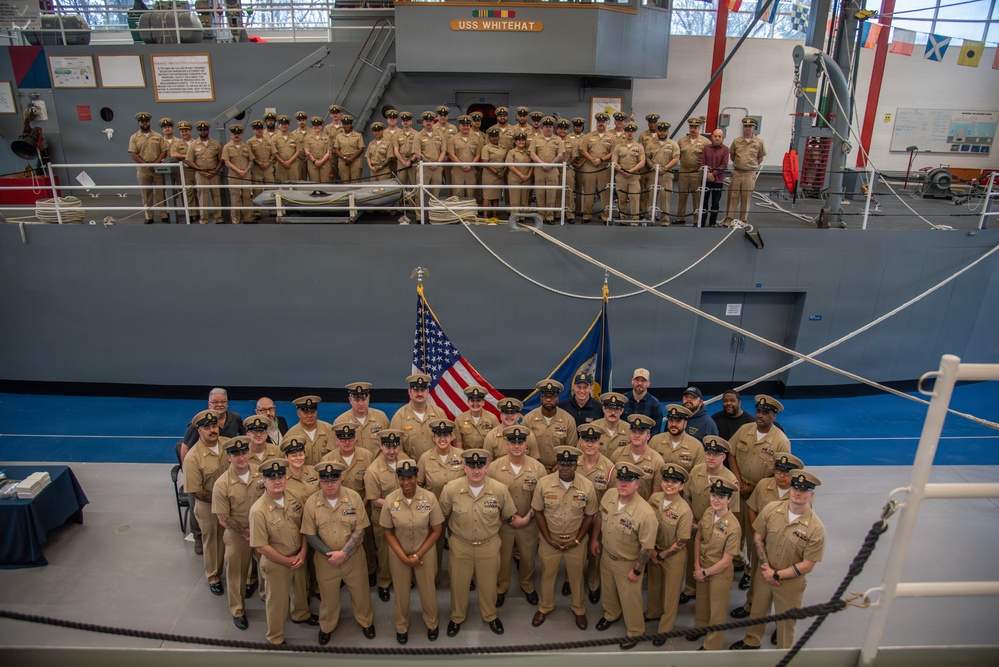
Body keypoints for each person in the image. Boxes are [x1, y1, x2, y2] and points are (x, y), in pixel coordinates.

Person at [730, 470, 824, 650]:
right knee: (758, 611)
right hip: (765, 573)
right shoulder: (771, 509)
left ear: (811, 494)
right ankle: (751, 641)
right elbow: (758, 537)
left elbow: (808, 564)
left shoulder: (815, 528)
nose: (797, 492)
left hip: (790, 582)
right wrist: (765, 567)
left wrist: (777, 574)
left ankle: (783, 651)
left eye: (804, 490)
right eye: (795, 487)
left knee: (786, 620)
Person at [439, 449, 518, 637]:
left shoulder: (499, 489)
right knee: (458, 584)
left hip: (488, 544)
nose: (476, 471)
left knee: (489, 584)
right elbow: (443, 515)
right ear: (464, 467)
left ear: (487, 466)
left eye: (480, 466)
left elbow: (508, 515)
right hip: (460, 544)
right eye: (472, 466)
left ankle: (490, 615)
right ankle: (457, 616)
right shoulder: (450, 489)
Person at [301, 461, 376, 645]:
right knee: (328, 598)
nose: (330, 484)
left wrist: (344, 553)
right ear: (319, 481)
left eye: (333, 479)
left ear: (341, 478)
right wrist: (331, 555)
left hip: (353, 558)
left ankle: (365, 621)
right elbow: (310, 534)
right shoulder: (312, 502)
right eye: (325, 480)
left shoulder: (353, 498)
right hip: (326, 561)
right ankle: (327, 626)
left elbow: (360, 530)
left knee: (361, 593)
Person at [248, 459, 317, 645]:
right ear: (265, 481)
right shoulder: (258, 511)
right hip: (276, 563)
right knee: (277, 603)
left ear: (286, 478)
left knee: (300, 591)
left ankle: (300, 614)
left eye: (280, 476)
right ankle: (275, 637)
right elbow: (261, 547)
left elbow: (303, 526)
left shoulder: (293, 496)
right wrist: (287, 561)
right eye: (272, 478)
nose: (277, 481)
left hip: (297, 555)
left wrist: (303, 552)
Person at [590, 462, 657, 651]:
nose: (623, 484)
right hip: (606, 555)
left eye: (629, 480)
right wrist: (595, 539)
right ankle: (611, 614)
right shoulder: (611, 495)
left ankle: (635, 631)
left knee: (631, 599)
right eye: (621, 479)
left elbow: (647, 548)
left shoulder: (645, 513)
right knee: (609, 591)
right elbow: (600, 517)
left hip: (627, 563)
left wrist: (637, 570)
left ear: (638, 484)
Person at [730, 453, 804, 623]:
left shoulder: (800, 494)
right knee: (757, 574)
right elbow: (752, 508)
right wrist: (757, 533)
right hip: (760, 542)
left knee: (785, 584)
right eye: (778, 471)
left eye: (786, 472)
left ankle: (783, 620)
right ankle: (751, 604)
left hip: (785, 547)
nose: (781, 475)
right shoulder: (763, 485)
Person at [530, 445, 597, 630]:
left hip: (576, 540)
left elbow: (590, 515)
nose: (566, 467)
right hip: (549, 539)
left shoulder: (587, 486)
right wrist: (548, 538)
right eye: (562, 463)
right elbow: (538, 512)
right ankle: (545, 607)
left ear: (577, 465)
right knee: (547, 576)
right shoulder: (543, 483)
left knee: (576, 578)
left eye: (570, 464)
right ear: (557, 464)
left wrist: (577, 540)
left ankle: (579, 609)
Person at [380, 460, 445, 644]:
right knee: (400, 593)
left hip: (425, 553)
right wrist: (403, 557)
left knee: (428, 591)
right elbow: (388, 532)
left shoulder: (429, 498)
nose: (406, 482)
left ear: (417, 478)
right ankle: (401, 626)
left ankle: (432, 623)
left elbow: (437, 530)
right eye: (402, 478)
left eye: (410, 478)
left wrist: (417, 555)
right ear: (398, 479)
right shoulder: (391, 500)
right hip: (398, 553)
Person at [729, 395, 792, 581]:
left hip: (761, 495)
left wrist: (754, 489)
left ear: (774, 416)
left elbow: (783, 473)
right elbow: (731, 453)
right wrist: (738, 480)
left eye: (765, 413)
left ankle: (751, 572)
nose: (760, 416)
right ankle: (737, 562)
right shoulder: (744, 430)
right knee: (734, 530)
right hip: (739, 489)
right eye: (758, 411)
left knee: (754, 536)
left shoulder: (781, 442)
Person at [487, 425, 546, 607]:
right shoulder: (495, 467)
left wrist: (526, 518)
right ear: (506, 444)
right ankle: (501, 587)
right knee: (502, 559)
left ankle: (527, 586)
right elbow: (489, 496)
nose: (516, 446)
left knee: (528, 559)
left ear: (526, 444)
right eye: (513, 442)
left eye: (520, 442)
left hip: (528, 523)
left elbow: (541, 498)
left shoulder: (538, 468)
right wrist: (507, 517)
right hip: (503, 524)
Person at [682, 435, 741, 605]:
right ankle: (691, 589)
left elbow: (732, 514)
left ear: (723, 457)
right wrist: (691, 521)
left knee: (715, 561)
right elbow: (687, 496)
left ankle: (716, 591)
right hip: (695, 525)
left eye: (715, 454)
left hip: (717, 530)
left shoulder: (731, 482)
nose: (710, 457)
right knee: (693, 558)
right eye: (708, 453)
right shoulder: (696, 471)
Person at [212, 437, 263, 630]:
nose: (241, 457)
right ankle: (237, 610)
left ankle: (267, 598)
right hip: (237, 535)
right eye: (236, 454)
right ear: (228, 457)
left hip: (262, 531)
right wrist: (244, 533)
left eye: (243, 453)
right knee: (236, 574)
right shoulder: (222, 484)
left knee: (266, 569)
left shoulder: (260, 472)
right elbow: (223, 517)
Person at [645, 465, 693, 646]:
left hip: (672, 555)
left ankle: (664, 629)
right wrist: (652, 551)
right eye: (666, 480)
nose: (669, 485)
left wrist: (661, 555)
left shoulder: (684, 510)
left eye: (674, 482)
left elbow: (682, 540)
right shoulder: (654, 498)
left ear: (681, 486)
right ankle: (652, 613)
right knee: (654, 586)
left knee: (671, 594)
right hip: (654, 550)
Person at [364, 429, 415, 602]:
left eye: (395, 446)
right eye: (387, 447)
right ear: (381, 446)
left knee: (406, 546)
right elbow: (373, 499)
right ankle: (384, 582)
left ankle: (403, 578)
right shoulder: (373, 471)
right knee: (385, 552)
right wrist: (396, 504)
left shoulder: (406, 461)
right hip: (384, 518)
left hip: (406, 516)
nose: (392, 451)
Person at [692, 477, 741, 650]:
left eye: (721, 497)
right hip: (703, 567)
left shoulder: (733, 526)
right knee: (702, 602)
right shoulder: (708, 512)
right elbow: (698, 538)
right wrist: (697, 566)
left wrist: (705, 572)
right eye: (714, 495)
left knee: (717, 610)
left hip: (719, 571)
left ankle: (712, 644)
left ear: (729, 499)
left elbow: (726, 561)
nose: (715, 500)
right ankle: (701, 627)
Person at [185, 409, 229, 594]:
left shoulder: (228, 444)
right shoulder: (192, 458)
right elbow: (197, 492)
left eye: (214, 425)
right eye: (208, 427)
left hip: (233, 504)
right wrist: (224, 501)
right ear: (199, 431)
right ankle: (214, 576)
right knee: (214, 542)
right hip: (208, 507)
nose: (213, 430)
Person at [416, 419, 466, 581]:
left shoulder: (462, 456)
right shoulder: (425, 458)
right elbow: (418, 485)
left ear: (452, 436)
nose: (442, 438)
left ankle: (462, 577)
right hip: (434, 511)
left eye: (446, 434)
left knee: (460, 545)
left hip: (458, 510)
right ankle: (434, 576)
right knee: (434, 546)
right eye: (438, 435)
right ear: (433, 438)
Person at [575, 424, 616, 604]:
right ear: (581, 442)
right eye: (586, 440)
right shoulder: (572, 463)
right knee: (575, 552)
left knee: (595, 553)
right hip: (575, 518)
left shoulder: (609, 468)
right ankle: (571, 580)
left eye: (594, 441)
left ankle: (593, 584)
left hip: (599, 518)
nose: (590, 444)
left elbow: (613, 498)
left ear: (600, 442)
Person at [523, 379, 579, 469]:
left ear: (557, 398)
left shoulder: (568, 420)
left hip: (560, 470)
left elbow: (571, 449)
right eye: (545, 396)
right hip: (533, 468)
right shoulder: (529, 419)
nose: (548, 400)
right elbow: (524, 448)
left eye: (553, 397)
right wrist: (539, 468)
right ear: (541, 398)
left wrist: (556, 469)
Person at [390, 373, 447, 461]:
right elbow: (396, 449)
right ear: (409, 392)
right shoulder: (399, 417)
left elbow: (447, 442)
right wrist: (411, 466)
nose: (420, 393)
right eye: (416, 390)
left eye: (423, 390)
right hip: (411, 469)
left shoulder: (439, 414)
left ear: (427, 392)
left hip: (437, 467)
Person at [610, 414, 665, 500]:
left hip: (643, 510)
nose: (636, 435)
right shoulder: (617, 454)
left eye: (641, 433)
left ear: (648, 436)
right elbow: (611, 485)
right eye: (634, 431)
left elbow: (656, 495)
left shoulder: (657, 461)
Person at [181, 388, 245, 460]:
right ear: (209, 404)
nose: (220, 405)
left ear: (227, 403)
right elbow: (185, 447)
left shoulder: (235, 417)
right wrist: (186, 469)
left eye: (223, 401)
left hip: (230, 462)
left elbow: (246, 437)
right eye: (215, 402)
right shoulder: (199, 422)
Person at [725, 117, 767, 225]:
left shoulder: (759, 142)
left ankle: (743, 220)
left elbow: (760, 157)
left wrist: (750, 166)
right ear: (743, 127)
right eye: (745, 126)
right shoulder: (737, 141)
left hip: (749, 173)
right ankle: (729, 219)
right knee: (733, 196)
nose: (747, 129)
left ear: (754, 128)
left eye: (750, 126)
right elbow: (732, 156)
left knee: (746, 197)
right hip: (737, 172)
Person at [128, 111, 168, 224]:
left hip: (157, 167)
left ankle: (164, 214)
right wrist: (146, 164)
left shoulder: (158, 136)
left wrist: (156, 163)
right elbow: (133, 153)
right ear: (138, 123)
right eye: (142, 121)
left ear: (149, 122)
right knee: (146, 193)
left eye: (146, 121)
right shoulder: (134, 137)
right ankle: (149, 216)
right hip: (143, 168)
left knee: (161, 192)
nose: (144, 123)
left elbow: (164, 151)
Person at [334, 382, 390, 456]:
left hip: (378, 465)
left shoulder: (381, 417)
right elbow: (334, 451)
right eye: (356, 400)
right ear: (350, 400)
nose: (360, 404)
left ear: (369, 398)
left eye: (363, 399)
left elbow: (390, 444)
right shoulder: (340, 422)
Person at [185, 121, 224, 224]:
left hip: (214, 173)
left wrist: (215, 171)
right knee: (203, 196)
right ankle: (204, 218)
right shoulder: (193, 144)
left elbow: (221, 160)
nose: (203, 131)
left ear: (208, 130)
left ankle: (218, 217)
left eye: (205, 129)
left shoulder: (216, 144)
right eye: (201, 130)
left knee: (217, 196)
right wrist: (200, 171)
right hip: (200, 174)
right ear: (198, 131)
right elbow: (189, 160)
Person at [579, 112, 615, 223]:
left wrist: (602, 159)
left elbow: (614, 152)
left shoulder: (612, 137)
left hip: (604, 167)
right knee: (589, 192)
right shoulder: (589, 136)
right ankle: (587, 215)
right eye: (599, 121)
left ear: (606, 123)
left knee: (605, 192)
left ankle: (605, 216)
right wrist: (592, 159)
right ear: (596, 122)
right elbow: (583, 150)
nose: (601, 123)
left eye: (603, 122)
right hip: (590, 166)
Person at [649, 404, 706, 473]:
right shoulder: (655, 441)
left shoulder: (696, 447)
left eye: (678, 421)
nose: (673, 424)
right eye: (671, 420)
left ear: (685, 424)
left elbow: (698, 475)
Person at [643, 120, 680, 225]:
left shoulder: (673, 144)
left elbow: (676, 158)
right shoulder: (650, 144)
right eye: (660, 130)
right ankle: (651, 218)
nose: (662, 133)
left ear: (668, 132)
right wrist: (653, 167)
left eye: (664, 131)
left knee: (665, 198)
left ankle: (665, 220)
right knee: (651, 197)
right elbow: (647, 158)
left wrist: (664, 168)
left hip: (666, 175)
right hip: (653, 174)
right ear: (657, 131)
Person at [481, 397, 541, 461]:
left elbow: (535, 462)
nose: (509, 416)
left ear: (518, 416)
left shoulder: (528, 435)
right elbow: (487, 463)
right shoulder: (491, 436)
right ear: (501, 416)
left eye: (513, 413)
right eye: (506, 413)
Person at [530, 116, 565, 224]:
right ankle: (541, 216)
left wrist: (551, 164)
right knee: (539, 194)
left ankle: (549, 216)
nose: (548, 129)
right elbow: (532, 153)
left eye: (550, 126)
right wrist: (542, 164)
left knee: (551, 194)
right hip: (539, 170)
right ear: (543, 127)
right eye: (546, 126)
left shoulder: (558, 139)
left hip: (552, 170)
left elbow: (560, 154)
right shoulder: (536, 139)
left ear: (553, 128)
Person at [676, 118, 710, 226]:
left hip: (697, 172)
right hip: (684, 172)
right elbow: (678, 156)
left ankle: (697, 220)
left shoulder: (706, 142)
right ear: (689, 127)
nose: (693, 129)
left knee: (696, 197)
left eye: (695, 127)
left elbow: (708, 158)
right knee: (682, 196)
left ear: (699, 128)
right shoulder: (681, 141)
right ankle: (680, 218)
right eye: (691, 127)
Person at [284, 395, 334, 467]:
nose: (310, 415)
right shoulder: (290, 436)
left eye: (313, 412)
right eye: (306, 412)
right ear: (298, 414)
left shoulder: (329, 430)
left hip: (327, 476)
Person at [611, 123, 646, 222]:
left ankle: (634, 220)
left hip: (634, 176)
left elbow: (642, 162)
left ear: (634, 133)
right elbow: (614, 161)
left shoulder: (639, 147)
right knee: (621, 199)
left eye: (632, 131)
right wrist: (622, 171)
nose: (630, 133)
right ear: (624, 132)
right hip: (621, 176)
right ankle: (623, 219)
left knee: (635, 198)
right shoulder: (618, 147)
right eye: (627, 131)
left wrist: (631, 171)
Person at [221, 124, 254, 223]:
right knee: (235, 199)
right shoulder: (227, 147)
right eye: (234, 133)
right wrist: (239, 171)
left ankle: (247, 218)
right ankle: (235, 219)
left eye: (239, 133)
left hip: (246, 175)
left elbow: (251, 160)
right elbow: (226, 162)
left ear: (242, 134)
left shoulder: (246, 147)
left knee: (247, 198)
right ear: (231, 134)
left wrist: (246, 170)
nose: (237, 135)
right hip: (234, 176)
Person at [453, 385, 497, 451]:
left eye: (478, 400)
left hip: (487, 458)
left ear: (483, 403)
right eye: (472, 401)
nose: (475, 404)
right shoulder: (459, 420)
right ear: (468, 403)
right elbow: (458, 447)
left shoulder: (492, 419)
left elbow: (496, 445)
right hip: (466, 458)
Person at [246, 119, 275, 218]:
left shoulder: (269, 140)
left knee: (270, 190)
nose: (259, 131)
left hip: (268, 169)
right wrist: (259, 163)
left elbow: (273, 153)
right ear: (253, 130)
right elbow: (251, 156)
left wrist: (268, 163)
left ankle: (272, 210)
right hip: (256, 169)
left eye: (261, 129)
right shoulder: (249, 142)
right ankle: (257, 212)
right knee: (257, 191)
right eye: (257, 129)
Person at [170, 121, 199, 220]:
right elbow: (173, 154)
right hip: (186, 170)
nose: (184, 133)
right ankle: (192, 214)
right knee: (188, 192)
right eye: (182, 131)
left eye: (186, 131)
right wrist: (187, 156)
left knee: (199, 191)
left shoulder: (196, 142)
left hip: (197, 170)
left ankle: (200, 212)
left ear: (190, 131)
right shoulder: (177, 143)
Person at [446, 115, 479, 198]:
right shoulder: (453, 139)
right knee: (457, 193)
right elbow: (451, 154)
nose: (465, 127)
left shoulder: (476, 139)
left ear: (470, 126)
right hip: (457, 170)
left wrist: (470, 165)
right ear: (459, 126)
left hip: (471, 170)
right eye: (463, 125)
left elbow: (478, 154)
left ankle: (470, 211)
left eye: (467, 125)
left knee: (471, 194)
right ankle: (457, 211)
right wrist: (462, 165)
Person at [702, 128, 729, 227]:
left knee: (715, 203)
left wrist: (713, 174)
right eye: (715, 136)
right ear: (711, 137)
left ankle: (712, 223)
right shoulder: (706, 148)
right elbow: (702, 162)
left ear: (722, 138)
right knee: (704, 202)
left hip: (718, 181)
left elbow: (724, 165)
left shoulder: (726, 150)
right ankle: (702, 222)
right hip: (706, 180)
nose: (717, 138)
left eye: (719, 136)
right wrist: (708, 173)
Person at [279, 437, 319, 504]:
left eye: (301, 455)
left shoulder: (314, 471)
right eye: (294, 456)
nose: (298, 458)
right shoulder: (281, 478)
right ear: (286, 457)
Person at [479, 126, 507, 219]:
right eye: (492, 136)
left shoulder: (502, 147)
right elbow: (485, 162)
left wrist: (503, 171)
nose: (495, 138)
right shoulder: (486, 148)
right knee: (487, 195)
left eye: (496, 136)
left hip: (500, 174)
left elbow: (506, 161)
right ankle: (485, 214)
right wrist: (496, 172)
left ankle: (494, 213)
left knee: (496, 195)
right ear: (489, 137)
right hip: (489, 174)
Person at [624, 367, 663, 433]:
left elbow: (655, 432)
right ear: (632, 381)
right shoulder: (623, 400)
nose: (639, 383)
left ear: (648, 383)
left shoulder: (655, 405)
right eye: (637, 380)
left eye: (643, 380)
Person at [591, 391, 630, 456]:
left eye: (617, 409)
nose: (612, 413)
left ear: (622, 411)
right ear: (603, 409)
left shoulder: (629, 430)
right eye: (609, 409)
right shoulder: (593, 427)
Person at [418, 112, 446, 199]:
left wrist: (437, 163)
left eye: (430, 120)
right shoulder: (418, 136)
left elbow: (443, 151)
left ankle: (434, 212)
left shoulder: (440, 135)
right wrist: (429, 163)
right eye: (426, 120)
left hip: (437, 167)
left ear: (433, 122)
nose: (428, 122)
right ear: (423, 122)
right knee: (420, 193)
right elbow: (418, 153)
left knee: (436, 193)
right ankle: (419, 212)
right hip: (424, 168)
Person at [506, 133, 534, 211]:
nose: (521, 142)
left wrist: (529, 175)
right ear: (515, 142)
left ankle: (522, 216)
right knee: (515, 200)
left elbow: (532, 164)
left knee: (524, 199)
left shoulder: (528, 152)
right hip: (515, 178)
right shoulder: (512, 152)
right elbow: (509, 165)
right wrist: (520, 174)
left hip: (526, 178)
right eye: (519, 140)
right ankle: (515, 216)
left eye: (523, 140)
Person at [333, 115, 364, 183]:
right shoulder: (338, 136)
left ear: (351, 124)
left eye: (348, 124)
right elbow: (336, 150)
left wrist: (351, 158)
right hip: (343, 161)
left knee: (356, 182)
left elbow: (361, 148)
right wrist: (345, 158)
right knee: (345, 182)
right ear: (342, 125)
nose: (346, 126)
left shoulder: (358, 135)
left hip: (355, 161)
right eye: (344, 124)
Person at [273, 115, 301, 184]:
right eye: (282, 124)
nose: (284, 126)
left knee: (294, 184)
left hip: (293, 164)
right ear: (278, 125)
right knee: (282, 185)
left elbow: (298, 151)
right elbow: (274, 152)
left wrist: (289, 162)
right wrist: (283, 162)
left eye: (286, 124)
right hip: (280, 165)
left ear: (288, 125)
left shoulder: (295, 136)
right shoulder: (274, 138)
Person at [305, 116, 332, 183]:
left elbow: (329, 152)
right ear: (312, 126)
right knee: (314, 183)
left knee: (325, 182)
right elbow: (307, 151)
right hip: (312, 164)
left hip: (325, 163)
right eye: (315, 125)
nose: (317, 127)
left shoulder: (327, 137)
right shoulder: (307, 138)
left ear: (321, 125)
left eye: (318, 125)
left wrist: (321, 162)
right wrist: (314, 161)